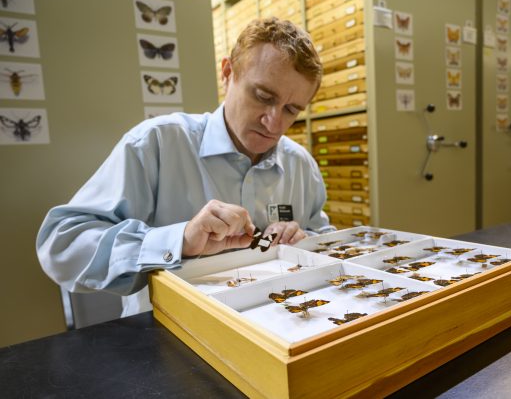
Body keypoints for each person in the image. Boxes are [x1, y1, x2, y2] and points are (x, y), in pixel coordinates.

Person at [36, 17, 334, 316]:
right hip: (169, 337)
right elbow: (62, 244)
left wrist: (302, 241)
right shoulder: (156, 143)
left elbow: (323, 239)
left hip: (277, 327)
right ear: (228, 73)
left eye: (291, 109)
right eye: (263, 96)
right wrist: (179, 241)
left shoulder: (301, 165)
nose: (274, 122)